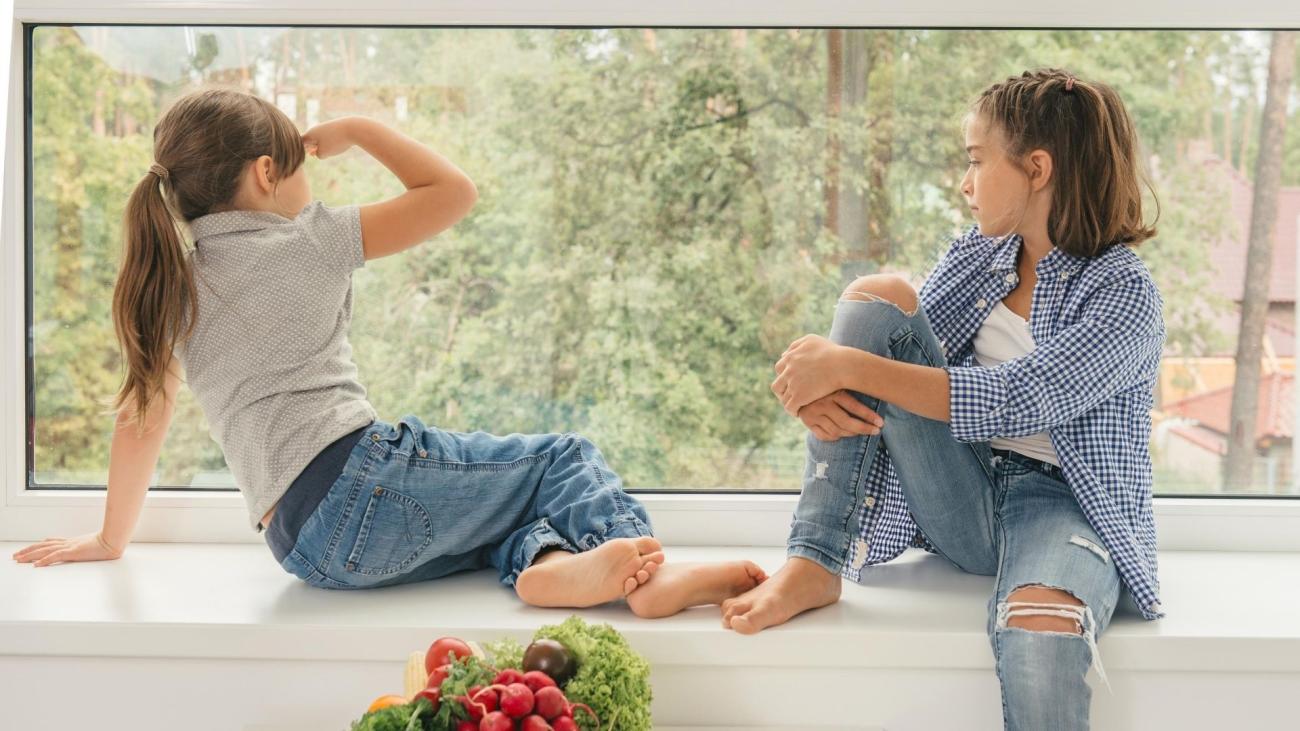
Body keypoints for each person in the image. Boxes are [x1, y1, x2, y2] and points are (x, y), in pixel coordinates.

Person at [11, 87, 765, 619]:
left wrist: (112, 538)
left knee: (497, 514)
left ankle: (549, 571)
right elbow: (454, 190)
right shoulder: (312, 239)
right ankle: (647, 572)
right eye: (303, 163)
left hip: (304, 548)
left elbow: (140, 421)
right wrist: (363, 129)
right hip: (361, 479)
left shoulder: (174, 284)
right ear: (268, 173)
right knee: (563, 457)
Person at [723, 69, 1166, 729]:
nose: (965, 182)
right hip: (962, 488)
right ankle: (815, 558)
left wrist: (845, 366)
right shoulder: (980, 255)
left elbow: (1021, 394)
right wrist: (830, 385)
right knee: (876, 297)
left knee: (1041, 632)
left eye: (975, 161)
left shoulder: (1123, 293)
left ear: (1037, 168)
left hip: (1066, 506)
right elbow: (894, 358)